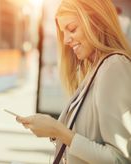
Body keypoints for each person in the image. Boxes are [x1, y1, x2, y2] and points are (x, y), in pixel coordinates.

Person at [16, 0, 131, 163]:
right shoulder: (95, 70)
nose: (66, 40)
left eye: (72, 29)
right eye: (64, 33)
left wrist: (59, 131)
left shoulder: (114, 67)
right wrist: (52, 130)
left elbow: (120, 159)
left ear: (96, 22)